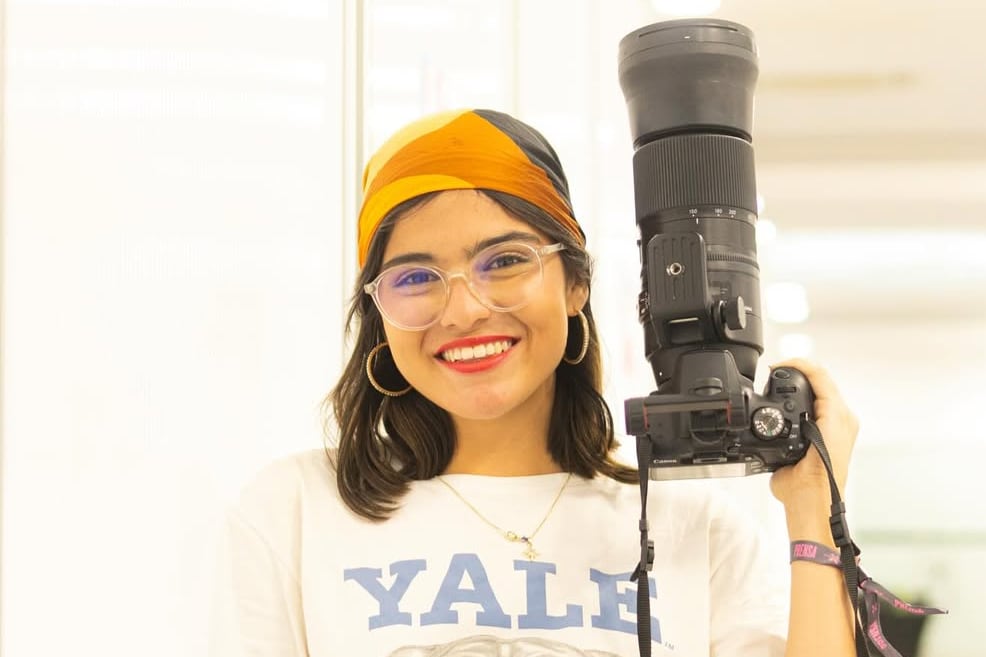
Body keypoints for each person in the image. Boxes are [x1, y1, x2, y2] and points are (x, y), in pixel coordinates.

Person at [210, 109, 860, 657]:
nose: (463, 309)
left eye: (506, 261)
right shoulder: (295, 510)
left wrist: (813, 509)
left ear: (574, 283)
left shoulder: (696, 529)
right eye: (414, 276)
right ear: (380, 314)